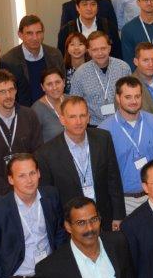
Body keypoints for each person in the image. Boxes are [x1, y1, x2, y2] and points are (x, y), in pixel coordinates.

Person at [35, 96, 126, 231]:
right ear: (62, 119)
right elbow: (49, 197)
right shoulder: (46, 153)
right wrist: (60, 227)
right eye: (72, 117)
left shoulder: (103, 138)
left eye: (82, 116)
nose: (78, 122)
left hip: (104, 217)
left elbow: (114, 179)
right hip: (71, 224)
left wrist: (118, 215)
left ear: (88, 117)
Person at [102, 76, 153, 216]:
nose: (134, 101)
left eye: (137, 96)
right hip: (124, 201)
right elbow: (103, 172)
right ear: (118, 98)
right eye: (128, 97)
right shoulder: (104, 131)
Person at [0, 71, 43, 205]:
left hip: (29, 187)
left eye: (11, 90)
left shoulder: (29, 116)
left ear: (16, 90)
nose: (8, 96)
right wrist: (8, 190)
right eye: (2, 92)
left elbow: (39, 152)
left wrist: (27, 183)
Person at [67, 31, 131, 126]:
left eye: (103, 48)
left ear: (109, 48)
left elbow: (131, 96)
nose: (100, 53)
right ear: (89, 51)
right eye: (95, 50)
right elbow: (75, 104)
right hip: (93, 125)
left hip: (122, 122)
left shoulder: (123, 68)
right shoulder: (80, 74)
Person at [2, 15, 65, 102]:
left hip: (53, 108)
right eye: (29, 33)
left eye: (38, 32)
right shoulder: (8, 61)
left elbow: (62, 85)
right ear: (20, 35)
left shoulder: (55, 55)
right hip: (24, 109)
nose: (35, 38)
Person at [57, 0, 123, 61]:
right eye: (85, 4)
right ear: (77, 7)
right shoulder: (66, 30)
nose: (89, 8)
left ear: (97, 7)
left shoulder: (109, 27)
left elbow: (118, 55)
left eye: (93, 4)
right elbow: (61, 58)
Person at [33, 68, 67, 143]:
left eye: (57, 82)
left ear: (64, 82)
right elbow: (34, 140)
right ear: (42, 87)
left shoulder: (71, 101)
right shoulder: (36, 110)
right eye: (49, 84)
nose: (55, 87)